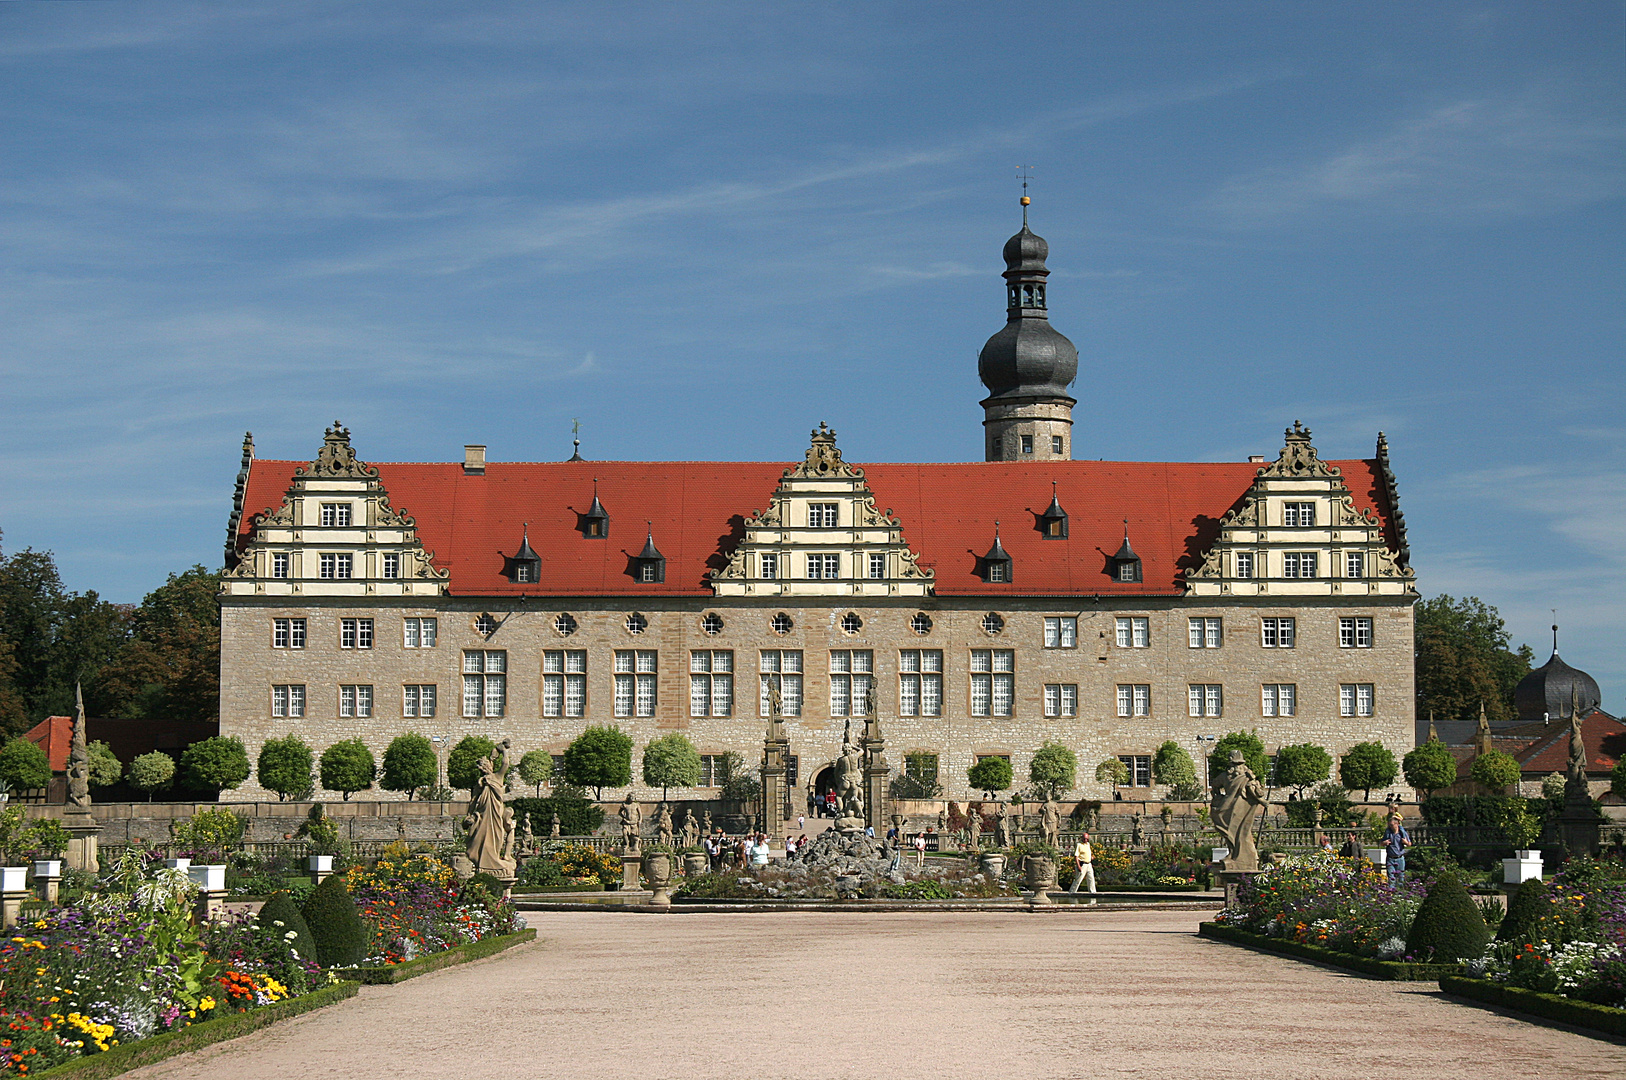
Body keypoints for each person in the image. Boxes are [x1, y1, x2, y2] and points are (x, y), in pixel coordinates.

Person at [1382, 815, 1411, 882]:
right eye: (1390, 825)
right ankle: (1391, 891)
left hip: (1400, 858)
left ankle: (1400, 891)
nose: (1391, 827)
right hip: (1390, 858)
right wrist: (1384, 842)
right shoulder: (1388, 833)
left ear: (1397, 824)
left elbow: (1409, 844)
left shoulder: (1402, 833)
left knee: (1401, 878)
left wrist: (1405, 842)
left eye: (1392, 825)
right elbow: (1381, 843)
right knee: (1391, 878)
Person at [1070, 831, 1096, 898]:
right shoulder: (1079, 845)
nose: (1085, 840)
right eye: (1084, 839)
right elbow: (1076, 856)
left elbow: (1087, 853)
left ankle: (1093, 893)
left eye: (1087, 839)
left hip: (1089, 864)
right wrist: (1078, 866)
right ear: (1082, 838)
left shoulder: (1088, 844)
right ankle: (1072, 892)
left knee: (1091, 879)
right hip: (1082, 864)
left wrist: (1091, 857)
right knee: (1078, 879)